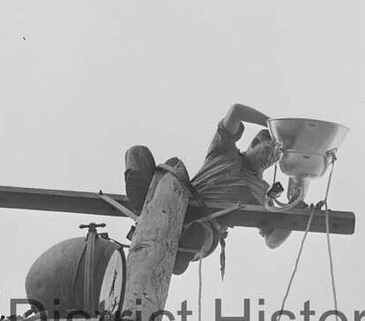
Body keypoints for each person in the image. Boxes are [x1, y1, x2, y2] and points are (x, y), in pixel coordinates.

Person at [124, 105, 303, 275]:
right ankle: (145, 209)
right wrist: (274, 128)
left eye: (276, 156)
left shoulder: (261, 192)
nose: (271, 158)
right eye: (268, 150)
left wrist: (295, 211)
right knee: (138, 153)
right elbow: (236, 110)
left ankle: (182, 252)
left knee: (200, 233)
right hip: (178, 201)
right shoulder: (224, 150)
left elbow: (272, 240)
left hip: (206, 226)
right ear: (255, 143)